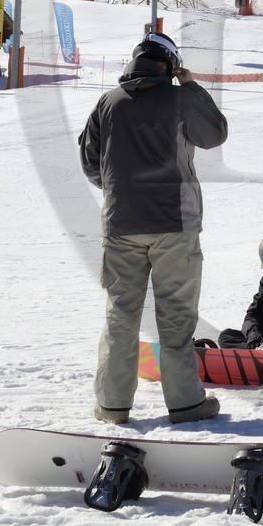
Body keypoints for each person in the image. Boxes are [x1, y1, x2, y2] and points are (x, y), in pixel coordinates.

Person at [79, 32, 228, 426]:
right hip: (173, 225)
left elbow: (91, 163)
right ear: (170, 63)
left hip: (121, 225)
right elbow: (215, 135)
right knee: (176, 318)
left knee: (121, 315)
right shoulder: (179, 99)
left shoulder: (107, 104)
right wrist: (191, 85)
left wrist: (122, 191)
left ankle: (112, 406)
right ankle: (186, 404)